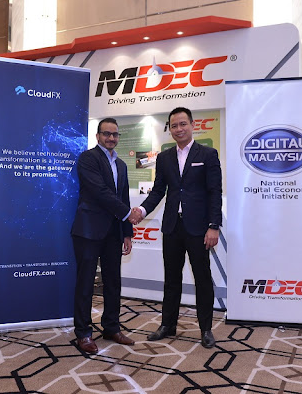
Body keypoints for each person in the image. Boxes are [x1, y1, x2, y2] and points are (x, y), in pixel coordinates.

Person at [131, 107, 222, 348]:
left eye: (183, 124)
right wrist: (142, 211)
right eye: (174, 126)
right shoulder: (164, 157)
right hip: (172, 226)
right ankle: (167, 325)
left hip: (199, 228)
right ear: (169, 129)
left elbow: (215, 192)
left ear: (192, 125)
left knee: (203, 278)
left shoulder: (208, 154)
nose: (179, 129)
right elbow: (159, 191)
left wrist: (214, 226)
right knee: (171, 279)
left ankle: (206, 329)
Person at [71, 118, 135, 354]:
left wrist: (127, 232)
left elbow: (123, 197)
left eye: (115, 134)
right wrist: (128, 213)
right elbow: (100, 191)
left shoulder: (122, 165)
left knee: (113, 282)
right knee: (86, 283)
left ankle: (111, 327)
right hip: (88, 231)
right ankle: (83, 333)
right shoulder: (88, 158)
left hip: (113, 232)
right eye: (106, 134)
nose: (111, 138)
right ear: (98, 136)